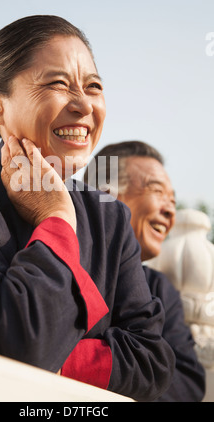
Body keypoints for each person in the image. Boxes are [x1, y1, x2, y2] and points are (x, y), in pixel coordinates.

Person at [0, 16, 175, 402]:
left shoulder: (110, 220)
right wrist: (56, 219)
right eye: (57, 83)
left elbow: (152, 362)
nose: (84, 104)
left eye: (94, 87)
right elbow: (20, 338)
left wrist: (53, 356)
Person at [84, 140, 206, 402]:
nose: (170, 210)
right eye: (157, 191)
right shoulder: (58, 260)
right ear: (106, 195)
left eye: (173, 200)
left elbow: (186, 382)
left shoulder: (160, 290)